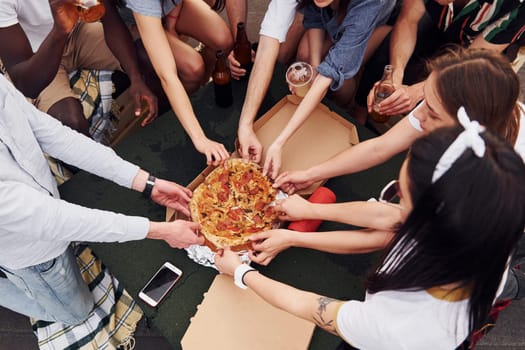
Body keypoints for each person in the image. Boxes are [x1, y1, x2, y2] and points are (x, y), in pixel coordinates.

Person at [215, 125, 525, 349]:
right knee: (511, 284)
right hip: (487, 287)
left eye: (403, 197)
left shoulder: (396, 328)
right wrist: (309, 208)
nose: (395, 204)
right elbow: (388, 217)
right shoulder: (478, 224)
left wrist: (241, 272)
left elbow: (308, 306)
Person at [0, 73, 203, 325]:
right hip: (27, 248)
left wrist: (146, 183)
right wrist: (160, 230)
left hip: (44, 210)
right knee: (76, 313)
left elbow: (53, 135)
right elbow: (51, 218)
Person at [274, 48, 525, 195]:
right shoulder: (442, 103)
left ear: (471, 126)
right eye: (425, 100)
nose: (418, 116)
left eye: (434, 115)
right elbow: (380, 147)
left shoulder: (494, 177)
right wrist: (310, 174)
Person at [261, 0, 395, 179]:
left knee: (342, 84)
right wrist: (315, 66)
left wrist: (279, 142)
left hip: (374, 23)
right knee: (305, 55)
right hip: (336, 15)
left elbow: (332, 71)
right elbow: (315, 17)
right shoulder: (321, 4)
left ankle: (342, 109)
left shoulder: (369, 4)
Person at [0, 0, 158, 137]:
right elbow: (27, 85)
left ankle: (162, 132)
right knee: (71, 123)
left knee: (149, 58)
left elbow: (110, 19)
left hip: (77, 32)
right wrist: (59, 31)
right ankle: (102, 170)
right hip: (37, 56)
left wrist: (135, 77)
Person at [354, 0, 525, 122]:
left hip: (480, 46)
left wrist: (417, 92)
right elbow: (408, 19)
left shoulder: (516, 6)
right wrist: (396, 75)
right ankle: (358, 115)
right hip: (439, 19)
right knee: (387, 62)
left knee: (452, 94)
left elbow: (469, 61)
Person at [125, 0, 232, 165]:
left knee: (223, 40)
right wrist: (200, 139)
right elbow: (167, 75)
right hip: (135, 20)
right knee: (193, 68)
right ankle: (175, 114)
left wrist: (172, 22)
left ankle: (197, 92)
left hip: (167, 7)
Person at [236, 0, 306, 163]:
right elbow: (267, 49)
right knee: (287, 56)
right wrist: (245, 124)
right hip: (315, 13)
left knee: (307, 55)